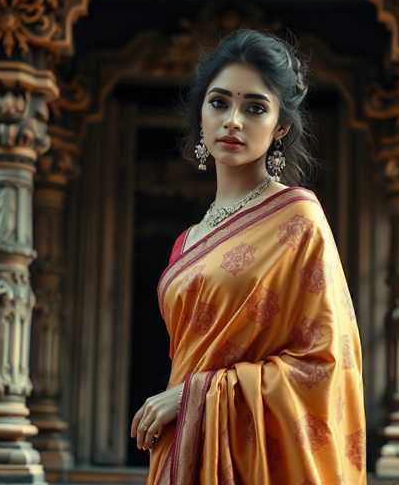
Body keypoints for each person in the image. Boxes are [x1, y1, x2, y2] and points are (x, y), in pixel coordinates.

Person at [130, 29, 366, 485]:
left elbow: (324, 364)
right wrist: (191, 404)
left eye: (254, 107)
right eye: (219, 103)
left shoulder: (297, 218)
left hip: (254, 463)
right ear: (201, 114)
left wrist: (191, 397)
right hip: (183, 451)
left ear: (280, 126)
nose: (233, 120)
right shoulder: (187, 241)